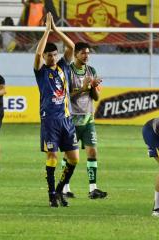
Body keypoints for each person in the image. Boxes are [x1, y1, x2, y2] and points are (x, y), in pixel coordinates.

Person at [34, 12, 78, 207]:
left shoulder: (64, 66)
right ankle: (52, 194)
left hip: (67, 120)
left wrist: (55, 29)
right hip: (50, 120)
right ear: (44, 57)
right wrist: (46, 32)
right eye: (48, 55)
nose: (52, 57)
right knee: (52, 156)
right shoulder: (41, 72)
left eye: (54, 54)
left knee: (74, 159)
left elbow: (72, 46)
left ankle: (60, 189)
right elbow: (37, 54)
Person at [61, 41, 107, 199]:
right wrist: (84, 88)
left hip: (88, 119)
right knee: (69, 156)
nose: (87, 56)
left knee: (93, 152)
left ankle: (93, 189)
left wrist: (93, 87)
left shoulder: (91, 71)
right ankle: (64, 187)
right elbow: (65, 96)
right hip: (71, 120)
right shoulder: (68, 71)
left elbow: (95, 97)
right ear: (75, 54)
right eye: (83, 53)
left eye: (88, 53)